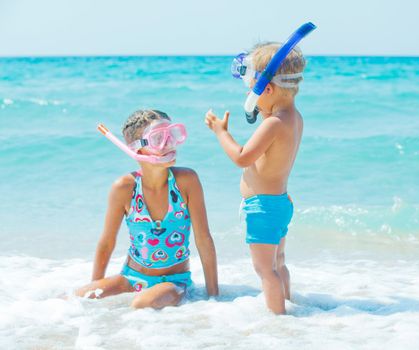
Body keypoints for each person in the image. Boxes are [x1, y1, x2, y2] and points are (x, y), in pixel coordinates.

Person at [204, 39, 309, 314]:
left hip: (262, 208)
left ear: (269, 89)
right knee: (279, 263)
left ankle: (279, 321)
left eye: (253, 91)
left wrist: (220, 132)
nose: (251, 98)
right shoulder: (294, 118)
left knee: (264, 270)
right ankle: (289, 306)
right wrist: (264, 108)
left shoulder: (273, 124)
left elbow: (242, 157)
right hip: (280, 203)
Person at [76, 109, 218, 309]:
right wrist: (95, 290)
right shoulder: (124, 188)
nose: (168, 143)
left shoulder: (186, 181)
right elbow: (106, 243)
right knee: (74, 299)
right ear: (138, 149)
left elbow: (203, 239)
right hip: (130, 277)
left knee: (142, 303)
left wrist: (214, 297)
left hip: (174, 282)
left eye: (172, 135)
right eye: (158, 138)